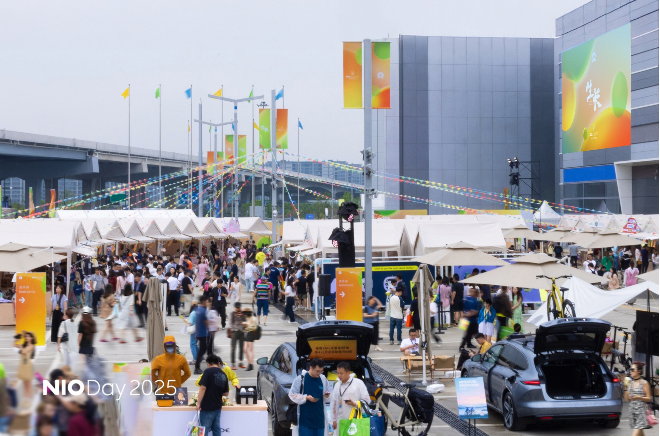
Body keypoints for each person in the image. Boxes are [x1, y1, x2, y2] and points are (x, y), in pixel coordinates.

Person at [288, 358, 331, 436]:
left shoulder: (323, 379)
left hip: (320, 420)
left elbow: (329, 394)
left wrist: (327, 395)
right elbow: (292, 395)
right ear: (311, 368)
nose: (319, 373)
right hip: (305, 420)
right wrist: (306, 397)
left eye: (321, 371)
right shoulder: (300, 379)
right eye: (317, 371)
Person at [330, 361, 372, 432]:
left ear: (348, 373)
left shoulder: (358, 383)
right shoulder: (337, 385)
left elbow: (367, 400)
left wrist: (355, 403)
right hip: (340, 420)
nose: (339, 375)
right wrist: (333, 420)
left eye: (341, 373)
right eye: (338, 373)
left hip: (355, 420)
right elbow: (333, 403)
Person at [196, 354, 229, 436]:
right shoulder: (223, 374)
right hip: (217, 406)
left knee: (204, 430)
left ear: (208, 364)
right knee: (216, 429)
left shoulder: (208, 371)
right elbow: (226, 393)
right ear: (218, 363)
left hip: (207, 406)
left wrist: (198, 403)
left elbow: (203, 388)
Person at [624, 361, 653, 434]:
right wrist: (625, 387)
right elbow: (627, 399)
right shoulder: (630, 383)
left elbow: (649, 398)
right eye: (630, 369)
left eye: (633, 370)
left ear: (639, 371)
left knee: (635, 433)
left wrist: (638, 397)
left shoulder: (644, 383)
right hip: (632, 412)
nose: (631, 371)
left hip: (641, 412)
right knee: (640, 434)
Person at [15, 331, 36, 402]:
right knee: (24, 383)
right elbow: (14, 345)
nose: (27, 337)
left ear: (32, 338)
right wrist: (16, 339)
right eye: (26, 336)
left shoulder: (31, 346)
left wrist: (20, 343)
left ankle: (29, 399)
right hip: (23, 364)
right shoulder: (24, 345)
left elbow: (24, 351)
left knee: (28, 384)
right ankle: (25, 399)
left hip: (28, 365)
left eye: (28, 336)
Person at [194, 295, 210, 375]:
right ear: (203, 301)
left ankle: (197, 366)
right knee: (202, 350)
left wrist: (196, 333)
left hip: (199, 333)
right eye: (206, 301)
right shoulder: (204, 311)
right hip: (203, 333)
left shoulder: (198, 309)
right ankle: (197, 367)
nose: (207, 303)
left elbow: (197, 322)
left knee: (202, 350)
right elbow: (206, 322)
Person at [229, 302, 246, 370]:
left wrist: (244, 328)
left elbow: (245, 321)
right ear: (235, 307)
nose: (238, 309)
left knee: (241, 348)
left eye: (239, 307)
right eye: (237, 307)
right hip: (234, 332)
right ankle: (233, 363)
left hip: (241, 332)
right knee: (233, 348)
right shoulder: (232, 313)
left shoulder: (243, 313)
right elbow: (231, 322)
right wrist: (233, 329)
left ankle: (240, 362)